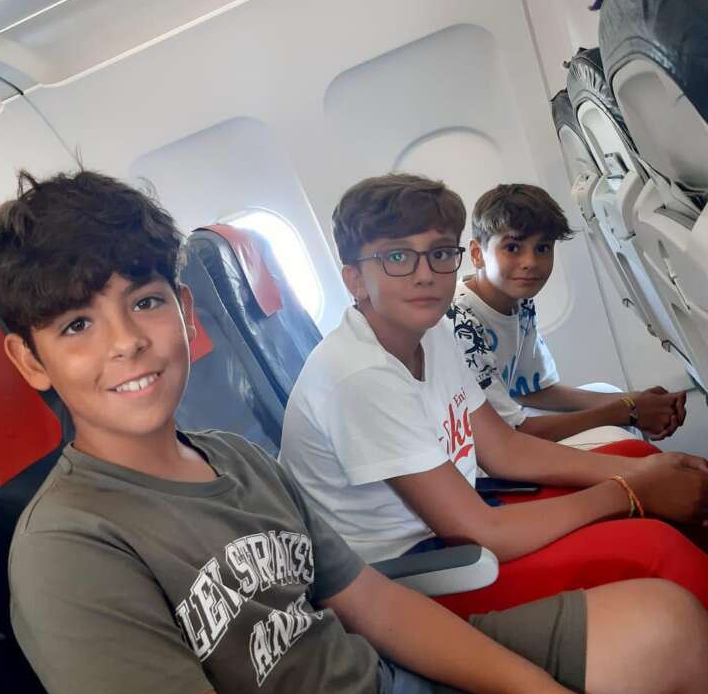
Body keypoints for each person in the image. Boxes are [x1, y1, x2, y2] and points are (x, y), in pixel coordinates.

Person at [0, 169, 708, 694]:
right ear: (29, 361)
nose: (125, 341)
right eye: (77, 325)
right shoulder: (70, 548)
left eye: (146, 302)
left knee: (668, 622)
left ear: (186, 312)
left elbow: (377, 605)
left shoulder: (235, 460)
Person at [279, 173, 708, 614]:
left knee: (636, 458)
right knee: (655, 547)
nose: (425, 275)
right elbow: (481, 531)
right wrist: (630, 491)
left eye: (439, 253)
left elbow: (504, 449)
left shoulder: (433, 332)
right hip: (410, 576)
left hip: (459, 521)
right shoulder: (360, 376)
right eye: (397, 257)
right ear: (354, 279)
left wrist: (642, 472)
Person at [450, 183, 686, 447]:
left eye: (542, 248)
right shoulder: (461, 321)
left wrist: (635, 400)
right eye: (513, 248)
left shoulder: (520, 302)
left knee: (609, 393)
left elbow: (531, 390)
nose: (530, 262)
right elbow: (508, 435)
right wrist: (627, 411)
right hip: (470, 452)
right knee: (617, 437)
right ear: (477, 254)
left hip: (505, 428)